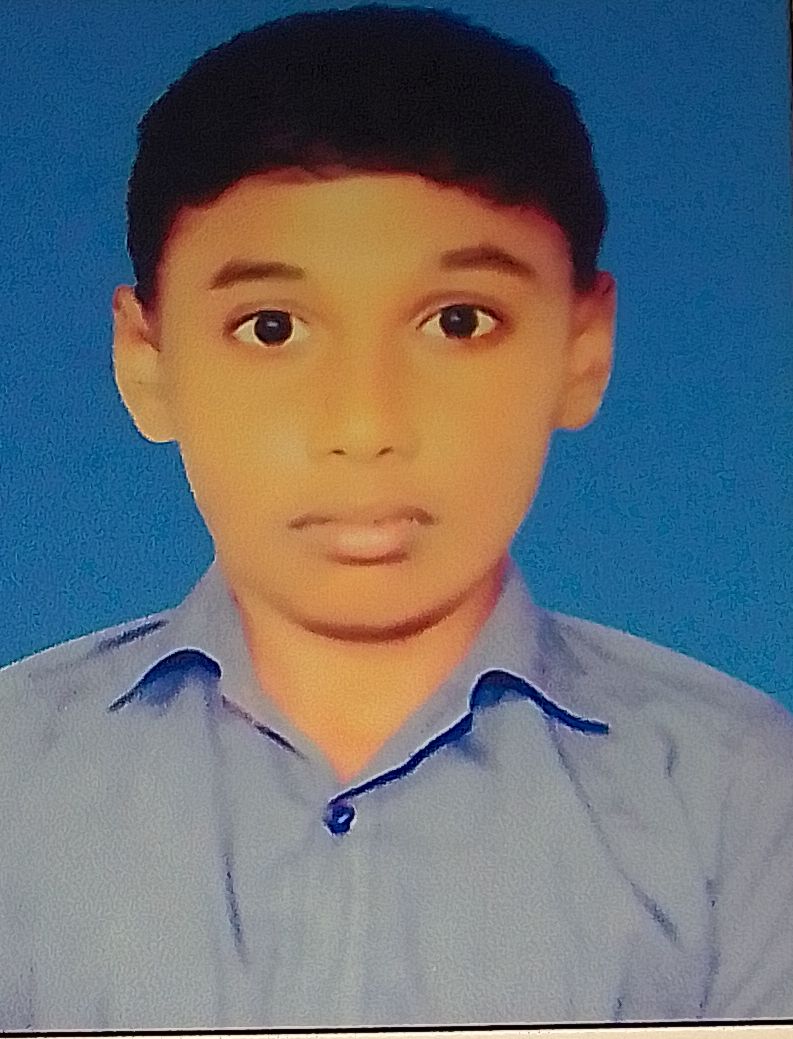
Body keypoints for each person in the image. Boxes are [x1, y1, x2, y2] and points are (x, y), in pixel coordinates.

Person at [1, 3, 791, 1031]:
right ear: (144, 363)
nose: (365, 425)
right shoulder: (15, 778)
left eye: (457, 322)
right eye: (271, 327)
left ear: (582, 348)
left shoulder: (738, 794)